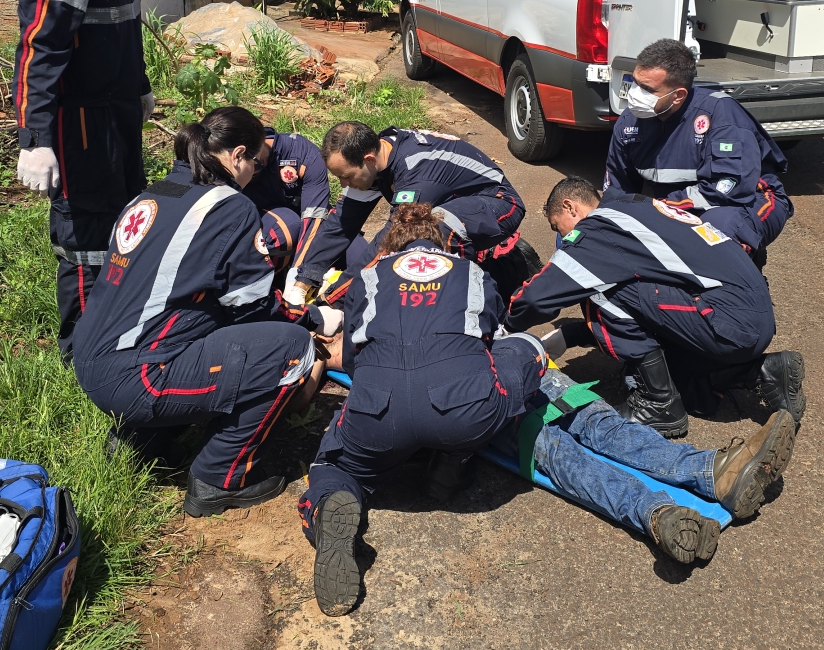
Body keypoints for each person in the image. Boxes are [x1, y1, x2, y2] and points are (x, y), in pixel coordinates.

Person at [300, 204, 797, 616]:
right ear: (446, 244)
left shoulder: (368, 278)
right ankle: (707, 471)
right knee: (588, 418)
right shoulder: (471, 274)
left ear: (390, 247)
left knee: (555, 453)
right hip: (481, 397)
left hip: (394, 413)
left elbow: (360, 354)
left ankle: (655, 512)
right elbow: (492, 333)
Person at [71, 107, 343, 517]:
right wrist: (313, 320)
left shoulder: (156, 193)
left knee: (200, 326)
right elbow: (252, 307)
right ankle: (219, 478)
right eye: (255, 161)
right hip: (137, 376)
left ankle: (142, 440)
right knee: (289, 347)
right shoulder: (230, 206)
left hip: (91, 359)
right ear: (237, 156)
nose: (255, 171)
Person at [13, 0, 187, 358]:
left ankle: (114, 330)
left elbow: (125, 30)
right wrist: (36, 140)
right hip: (80, 127)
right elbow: (38, 51)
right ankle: (80, 354)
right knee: (86, 238)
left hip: (117, 119)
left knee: (122, 224)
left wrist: (141, 86)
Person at [505, 177, 806, 436]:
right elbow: (649, 310)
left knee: (600, 290)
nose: (561, 237)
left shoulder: (598, 229)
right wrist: (569, 336)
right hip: (746, 313)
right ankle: (764, 371)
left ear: (571, 207)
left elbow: (535, 297)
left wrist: (508, 326)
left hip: (730, 319)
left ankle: (657, 403)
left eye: (559, 227)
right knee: (676, 379)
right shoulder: (636, 206)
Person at [287, 122, 529, 302]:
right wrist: (306, 276)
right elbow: (341, 224)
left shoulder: (415, 172)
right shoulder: (380, 156)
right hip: (459, 202)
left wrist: (334, 297)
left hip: (499, 204)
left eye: (347, 177)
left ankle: (472, 301)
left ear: (369, 159)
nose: (343, 184)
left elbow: (388, 242)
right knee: (420, 230)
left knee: (429, 229)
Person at [604, 39, 793, 264]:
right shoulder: (629, 123)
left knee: (715, 232)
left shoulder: (720, 115)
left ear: (678, 95)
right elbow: (617, 188)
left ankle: (742, 288)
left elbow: (728, 188)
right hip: (676, 204)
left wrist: (658, 209)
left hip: (747, 200)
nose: (635, 93)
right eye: (635, 83)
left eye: (647, 89)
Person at [243, 125, 331, 274]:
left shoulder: (302, 153)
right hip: (261, 219)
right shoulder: (228, 162)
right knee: (287, 227)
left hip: (303, 218)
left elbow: (314, 219)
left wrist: (300, 274)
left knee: (358, 255)